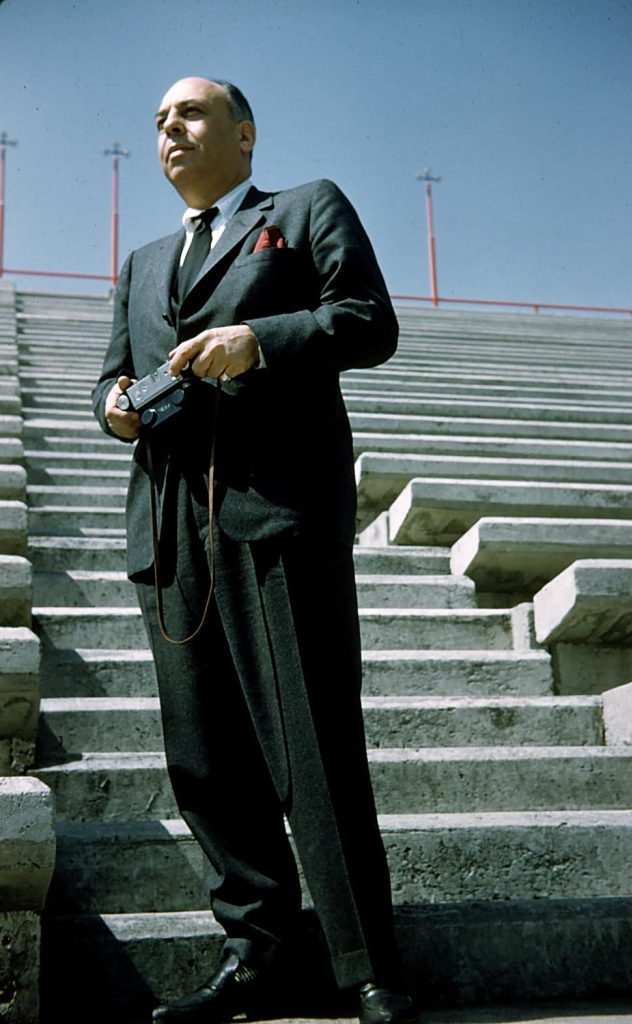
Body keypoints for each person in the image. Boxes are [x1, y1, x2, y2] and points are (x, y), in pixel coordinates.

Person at [92, 76, 418, 1024]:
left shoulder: (305, 208)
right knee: (205, 765)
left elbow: (368, 319)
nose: (169, 132)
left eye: (188, 115)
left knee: (312, 748)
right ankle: (260, 956)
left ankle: (370, 968)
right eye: (158, 122)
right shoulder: (145, 259)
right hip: (168, 534)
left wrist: (258, 341)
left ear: (243, 133)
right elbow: (111, 376)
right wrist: (113, 410)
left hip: (275, 520)